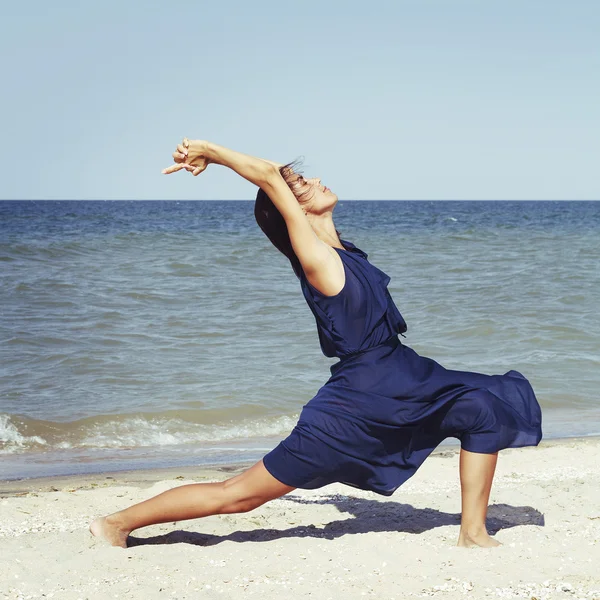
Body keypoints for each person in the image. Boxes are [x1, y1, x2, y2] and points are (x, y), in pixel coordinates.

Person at [90, 138, 542, 548]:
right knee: (239, 497)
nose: (318, 180)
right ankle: (116, 523)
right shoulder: (316, 258)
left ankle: (473, 533)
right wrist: (211, 151)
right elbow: (268, 176)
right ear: (292, 209)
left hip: (404, 378)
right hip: (357, 405)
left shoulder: (344, 252)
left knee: (483, 409)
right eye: (303, 182)